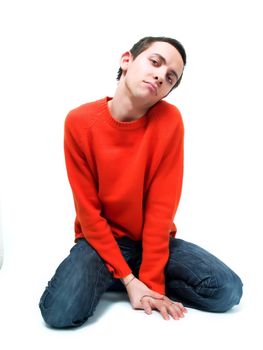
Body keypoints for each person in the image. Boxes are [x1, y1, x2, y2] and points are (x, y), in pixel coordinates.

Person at [39, 36, 243, 328]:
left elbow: (162, 209)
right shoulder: (79, 122)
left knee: (227, 290)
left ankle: (117, 279)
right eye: (155, 62)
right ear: (127, 60)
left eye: (171, 77)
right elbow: (88, 213)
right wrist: (129, 278)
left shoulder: (169, 121)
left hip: (152, 241)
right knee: (59, 312)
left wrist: (151, 283)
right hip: (101, 243)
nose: (161, 75)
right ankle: (114, 275)